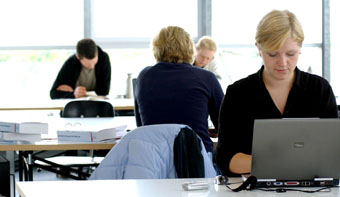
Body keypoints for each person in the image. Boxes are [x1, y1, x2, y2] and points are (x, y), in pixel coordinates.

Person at [216, 10, 338, 177]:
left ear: (300, 49)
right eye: (272, 54)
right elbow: (225, 159)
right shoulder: (238, 93)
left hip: (312, 190)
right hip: (254, 192)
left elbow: (333, 151)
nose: (282, 63)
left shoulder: (319, 89)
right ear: (258, 48)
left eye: (291, 54)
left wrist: (266, 162)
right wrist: (282, 162)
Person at [134, 26, 224, 154]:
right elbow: (226, 127)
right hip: (197, 161)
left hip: (154, 160)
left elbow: (141, 126)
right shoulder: (206, 78)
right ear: (191, 48)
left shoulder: (144, 77)